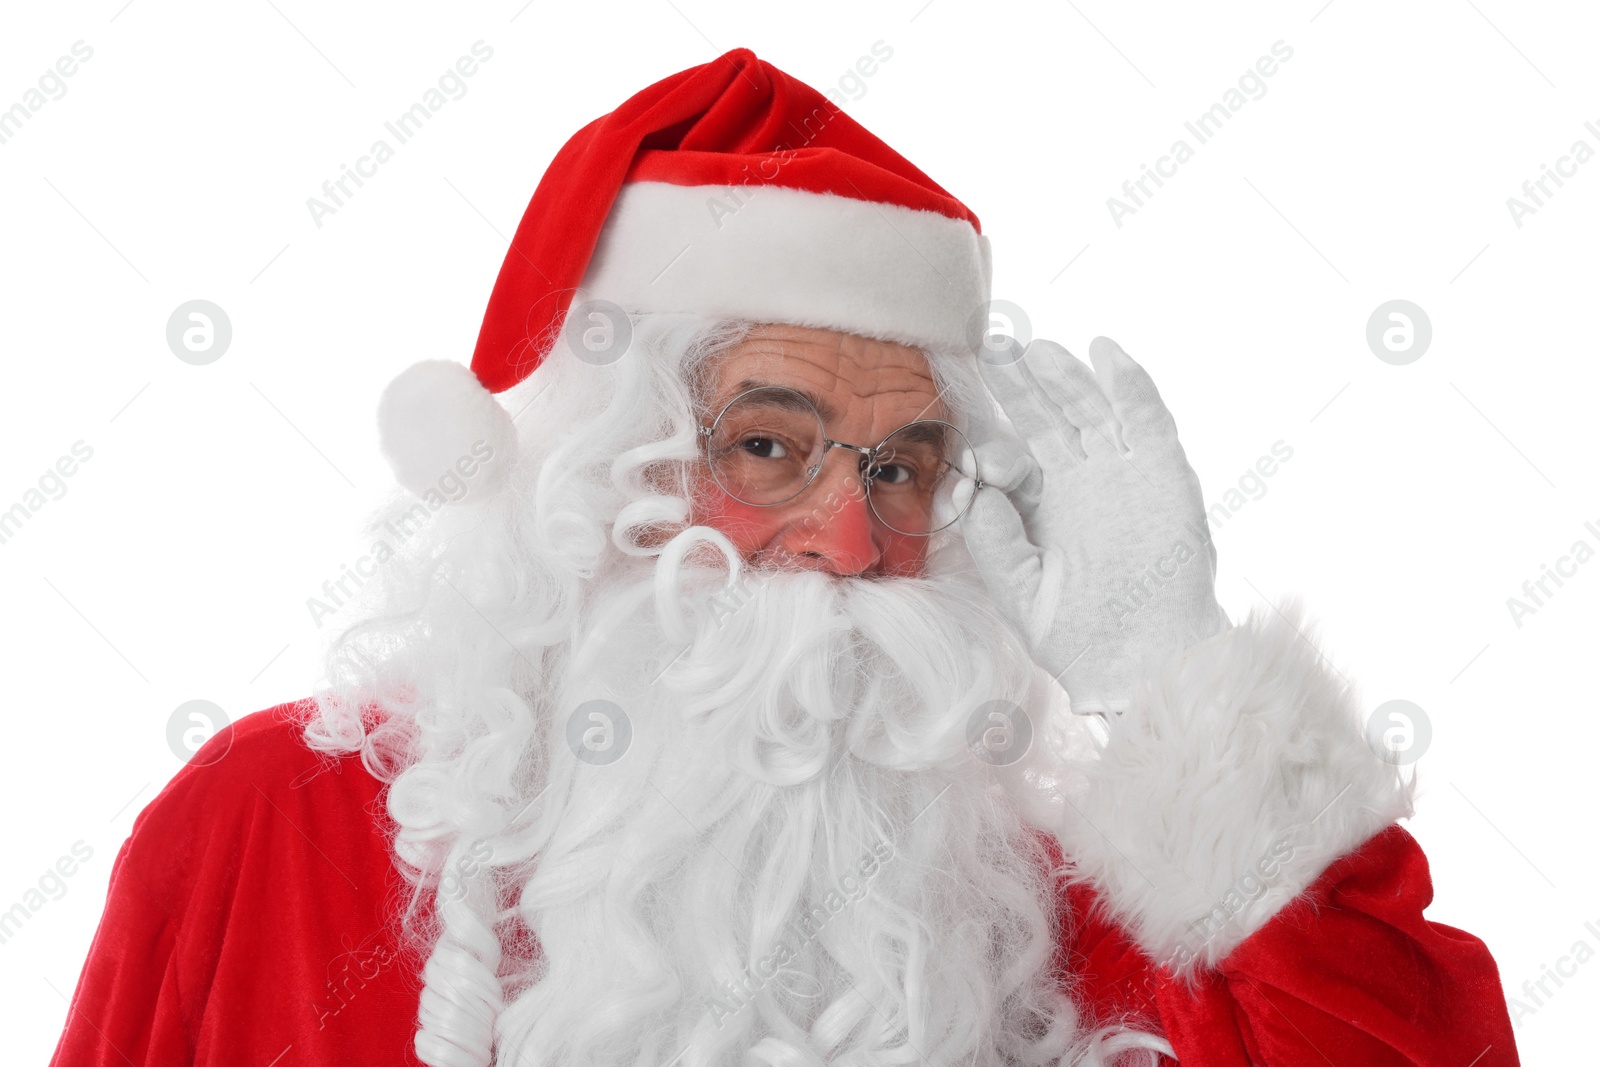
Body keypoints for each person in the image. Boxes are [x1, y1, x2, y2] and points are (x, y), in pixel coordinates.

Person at [50, 47, 1518, 1067]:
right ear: (587, 480)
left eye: (902, 469)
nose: (847, 541)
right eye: (768, 445)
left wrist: (1166, 674)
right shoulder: (260, 833)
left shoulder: (1039, 921)